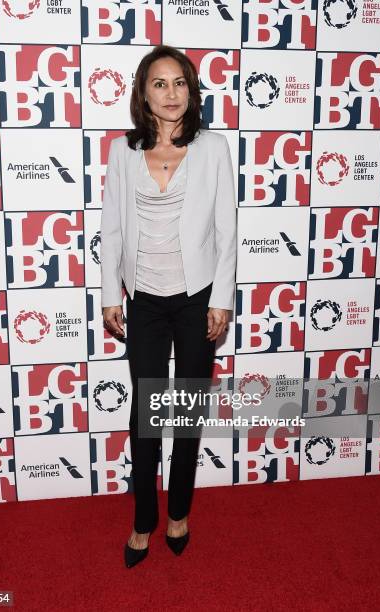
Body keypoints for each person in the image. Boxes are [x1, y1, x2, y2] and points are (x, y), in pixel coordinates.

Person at [100, 44, 237, 568]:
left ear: (191, 90)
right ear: (144, 92)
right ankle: (143, 520)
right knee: (145, 414)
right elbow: (111, 228)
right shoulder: (121, 150)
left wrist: (220, 300)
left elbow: (227, 232)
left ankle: (177, 513)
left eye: (180, 82)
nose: (171, 93)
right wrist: (112, 293)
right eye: (160, 83)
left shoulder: (213, 148)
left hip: (197, 296)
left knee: (186, 411)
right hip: (144, 301)